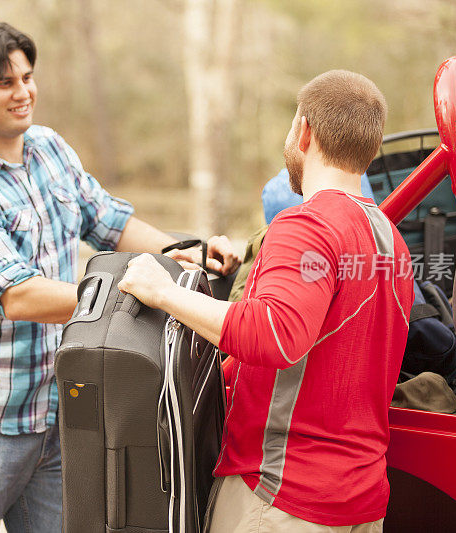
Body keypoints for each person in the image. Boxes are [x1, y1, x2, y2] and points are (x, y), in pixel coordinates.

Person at [0, 22, 240, 533]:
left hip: (58, 412)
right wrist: (133, 298)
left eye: (28, 77)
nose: (24, 93)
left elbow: (112, 222)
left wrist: (191, 254)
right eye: (6, 82)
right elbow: (18, 295)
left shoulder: (48, 149)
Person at [119, 70, 414, 532]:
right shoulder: (390, 239)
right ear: (370, 148)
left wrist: (164, 292)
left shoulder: (306, 225)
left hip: (283, 498)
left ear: (304, 131)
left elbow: (273, 333)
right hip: (360, 498)